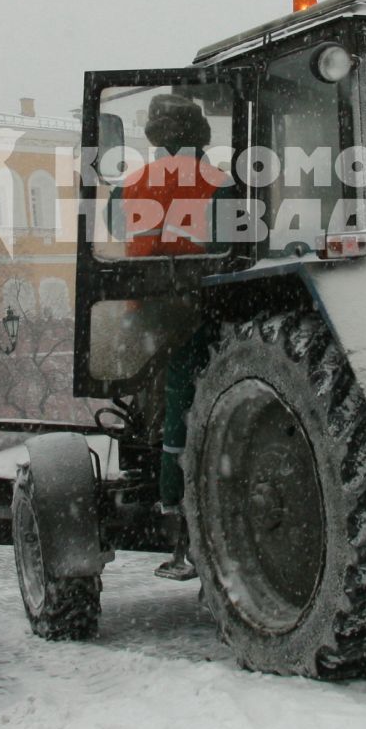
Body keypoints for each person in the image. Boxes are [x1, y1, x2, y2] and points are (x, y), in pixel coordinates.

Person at [114, 93, 230, 581]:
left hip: (148, 314)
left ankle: (169, 508)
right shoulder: (222, 184)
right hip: (203, 310)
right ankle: (194, 503)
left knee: (162, 412)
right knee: (187, 406)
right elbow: (231, 244)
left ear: (156, 137)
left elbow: (121, 244)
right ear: (201, 135)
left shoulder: (133, 184)